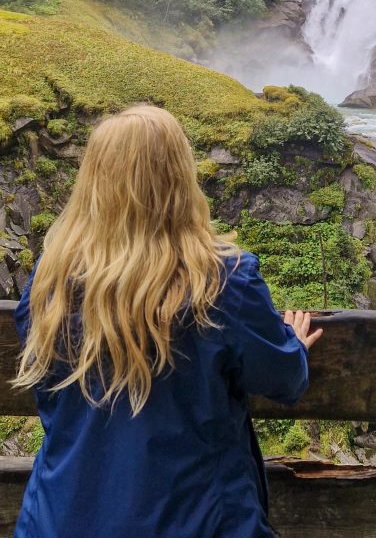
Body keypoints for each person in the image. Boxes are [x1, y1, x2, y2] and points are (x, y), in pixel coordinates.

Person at [12, 104, 322, 538]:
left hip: (62, 517)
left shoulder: (51, 279)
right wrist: (293, 346)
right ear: (179, 177)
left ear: (94, 182)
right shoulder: (225, 281)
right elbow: (283, 379)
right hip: (198, 520)